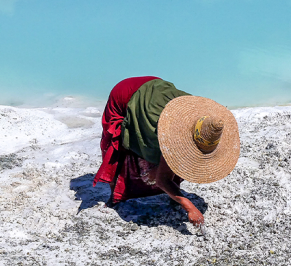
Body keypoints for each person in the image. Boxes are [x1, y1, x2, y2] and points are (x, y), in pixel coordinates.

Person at [93, 77, 240, 226]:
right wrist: (188, 206)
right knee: (115, 146)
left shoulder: (205, 122)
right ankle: (115, 196)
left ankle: (172, 193)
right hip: (125, 94)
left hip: (157, 91)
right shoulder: (174, 132)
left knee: (171, 159)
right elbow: (161, 179)